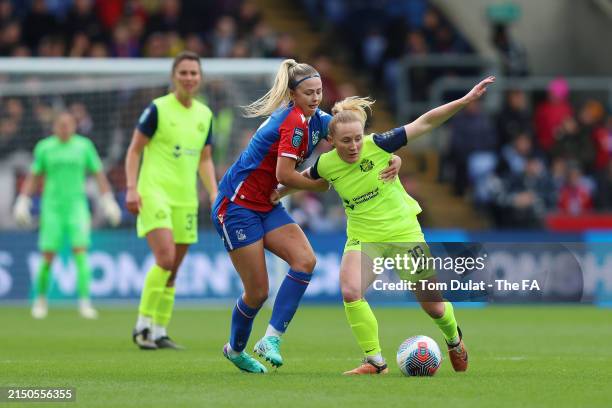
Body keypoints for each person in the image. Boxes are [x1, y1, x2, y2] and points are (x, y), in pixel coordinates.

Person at [274, 76, 496, 374]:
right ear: (331, 141)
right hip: (364, 237)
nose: (353, 146)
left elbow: (425, 123)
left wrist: (465, 100)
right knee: (351, 291)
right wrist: (271, 195)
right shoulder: (325, 164)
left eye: (357, 139)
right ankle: (375, 361)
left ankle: (454, 340)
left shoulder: (378, 145)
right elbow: (296, 180)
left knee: (435, 307)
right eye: (345, 141)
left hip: (404, 232)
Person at [212, 59, 401, 373]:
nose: (316, 98)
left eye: (319, 91)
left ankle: (271, 339)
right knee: (257, 291)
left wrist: (390, 156)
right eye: (309, 93)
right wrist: (320, 184)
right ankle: (235, 349)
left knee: (305, 261)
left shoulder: (318, 118)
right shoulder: (293, 122)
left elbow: (352, 137)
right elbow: (284, 173)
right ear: (292, 95)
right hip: (237, 205)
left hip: (267, 202)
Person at [126, 51, 217, 350]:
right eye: (184, 73)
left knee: (174, 269)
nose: (189, 78)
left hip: (185, 199)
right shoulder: (157, 109)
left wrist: (214, 192)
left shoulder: (205, 115)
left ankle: (159, 329)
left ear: (200, 78)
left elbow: (205, 160)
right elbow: (134, 150)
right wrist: (131, 187)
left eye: (194, 73)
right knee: (164, 258)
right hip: (154, 192)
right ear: (173, 77)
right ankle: (142, 325)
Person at [13, 112, 121, 319]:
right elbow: (34, 176)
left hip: (77, 207)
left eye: (68, 124)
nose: (64, 128)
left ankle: (84, 302)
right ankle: (41, 299)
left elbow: (98, 174)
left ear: (74, 126)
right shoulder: (45, 147)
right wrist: (23, 200)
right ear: (54, 126)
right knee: (47, 256)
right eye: (60, 125)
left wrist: (108, 200)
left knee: (81, 254)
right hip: (52, 208)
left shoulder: (84, 146)